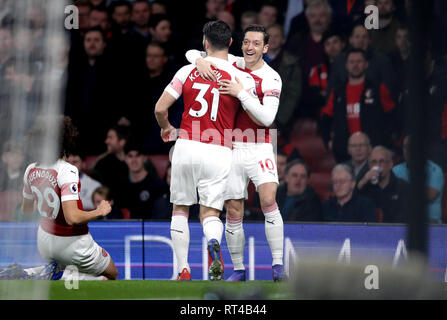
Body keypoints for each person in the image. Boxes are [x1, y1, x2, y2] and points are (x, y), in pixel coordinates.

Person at [154, 20, 258, 281]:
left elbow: (159, 109)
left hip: (187, 144)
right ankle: (213, 242)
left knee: (180, 208)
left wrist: (167, 128)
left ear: (205, 42)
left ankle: (183, 270)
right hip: (219, 149)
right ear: (232, 43)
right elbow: (257, 114)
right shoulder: (241, 77)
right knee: (210, 212)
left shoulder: (186, 71)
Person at [186, 24, 285, 282]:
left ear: (265, 48)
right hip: (230, 146)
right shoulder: (233, 63)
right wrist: (200, 60)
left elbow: (267, 117)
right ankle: (239, 270)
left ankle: (278, 266)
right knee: (233, 210)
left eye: (255, 43)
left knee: (267, 199)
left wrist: (240, 92)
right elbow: (189, 53)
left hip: (259, 142)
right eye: (246, 42)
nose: (249, 47)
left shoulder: (272, 77)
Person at [21, 115, 118, 280]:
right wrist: (99, 211)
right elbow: (72, 217)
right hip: (71, 242)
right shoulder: (67, 170)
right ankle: (56, 274)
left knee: (68, 270)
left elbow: (27, 211)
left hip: (44, 240)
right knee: (111, 274)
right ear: (66, 140)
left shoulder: (30, 170)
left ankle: (46, 272)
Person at [320, 48, 397, 162]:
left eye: (359, 61)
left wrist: (385, 139)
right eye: (352, 62)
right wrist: (329, 141)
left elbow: (392, 115)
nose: (355, 65)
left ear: (366, 64)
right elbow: (325, 118)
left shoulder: (378, 88)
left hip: (374, 152)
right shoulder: (337, 91)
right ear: (346, 65)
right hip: (344, 152)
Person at [392, 136, 444, 224]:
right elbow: (389, 194)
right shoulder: (396, 170)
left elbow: (429, 195)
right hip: (402, 221)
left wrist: (402, 189)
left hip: (429, 222)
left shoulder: (435, 170)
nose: (409, 150)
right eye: (406, 147)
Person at [263, 24, 302, 134]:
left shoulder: (292, 63)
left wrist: (278, 121)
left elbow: (293, 95)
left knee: (272, 150)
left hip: (279, 122)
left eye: (277, 36)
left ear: (283, 40)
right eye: (270, 36)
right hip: (252, 120)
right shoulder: (251, 60)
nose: (273, 39)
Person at [357, 146, 409, 223]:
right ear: (369, 165)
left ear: (391, 164)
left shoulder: (403, 187)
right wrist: (363, 181)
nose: (377, 165)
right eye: (374, 162)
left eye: (381, 161)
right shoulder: (365, 187)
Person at [115, 141, 165, 219]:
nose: (134, 160)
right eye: (130, 156)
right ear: (125, 159)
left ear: (144, 158)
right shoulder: (120, 185)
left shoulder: (156, 184)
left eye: (137, 156)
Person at [91, 125, 131, 199]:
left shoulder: (136, 160)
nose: (106, 141)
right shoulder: (103, 162)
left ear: (122, 142)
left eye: (110, 138)